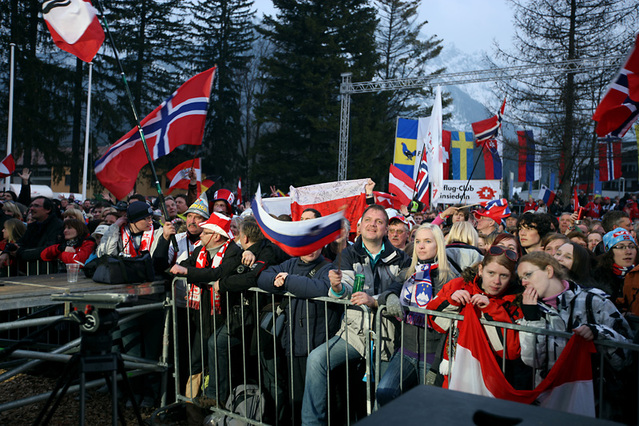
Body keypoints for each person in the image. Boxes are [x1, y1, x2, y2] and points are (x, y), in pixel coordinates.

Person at [301, 204, 410, 426]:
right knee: (316, 359)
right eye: (369, 220)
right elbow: (348, 287)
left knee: (382, 392)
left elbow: (400, 293)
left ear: (386, 229)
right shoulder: (348, 254)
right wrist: (338, 288)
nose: (373, 225)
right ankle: (311, 423)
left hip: (386, 338)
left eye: (379, 222)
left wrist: (375, 301)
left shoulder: (402, 259)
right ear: (359, 226)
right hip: (353, 333)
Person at [517, 252, 633, 420]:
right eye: (521, 278)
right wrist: (532, 319)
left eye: (528, 274)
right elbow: (532, 361)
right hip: (550, 398)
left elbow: (626, 354)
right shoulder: (533, 308)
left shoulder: (593, 300)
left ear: (549, 271)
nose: (524, 282)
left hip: (594, 399)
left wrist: (597, 332)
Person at [258, 237, 337, 423]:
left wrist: (287, 280)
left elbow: (320, 288)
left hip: (317, 342)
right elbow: (263, 277)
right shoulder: (291, 263)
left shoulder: (328, 267)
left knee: (320, 401)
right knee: (297, 398)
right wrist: (276, 281)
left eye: (316, 245)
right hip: (293, 341)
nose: (312, 250)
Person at [376, 223, 457, 405]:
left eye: (427, 241)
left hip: (432, 356)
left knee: (426, 407)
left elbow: (451, 327)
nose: (421, 246)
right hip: (405, 351)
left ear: (438, 245)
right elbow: (387, 292)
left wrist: (436, 367)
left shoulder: (450, 278)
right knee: (384, 392)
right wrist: (389, 297)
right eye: (418, 241)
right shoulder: (408, 273)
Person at [426, 246, 525, 388]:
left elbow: (509, 350)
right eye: (491, 273)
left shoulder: (515, 300)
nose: (496, 281)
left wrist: (492, 309)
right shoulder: (459, 284)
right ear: (480, 269)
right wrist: (451, 301)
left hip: (490, 377)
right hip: (453, 370)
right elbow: (434, 322)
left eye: (503, 276)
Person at [169, 212, 242, 399]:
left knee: (217, 359)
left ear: (216, 236)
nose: (200, 234)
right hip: (202, 315)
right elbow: (187, 263)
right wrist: (182, 268)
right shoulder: (199, 249)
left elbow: (217, 273)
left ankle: (217, 402)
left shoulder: (234, 252)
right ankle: (192, 406)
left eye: (205, 232)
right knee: (196, 361)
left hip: (224, 315)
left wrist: (187, 271)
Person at [0, 196, 64, 270]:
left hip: (47, 273)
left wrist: (20, 253)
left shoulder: (58, 226)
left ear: (48, 209)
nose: (31, 208)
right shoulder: (32, 227)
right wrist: (6, 252)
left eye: (36, 206)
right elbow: (20, 243)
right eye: (31, 206)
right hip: (30, 271)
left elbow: (48, 249)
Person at [592, 227, 639, 307]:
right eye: (621, 247)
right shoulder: (597, 275)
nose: (628, 251)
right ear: (610, 253)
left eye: (631, 246)